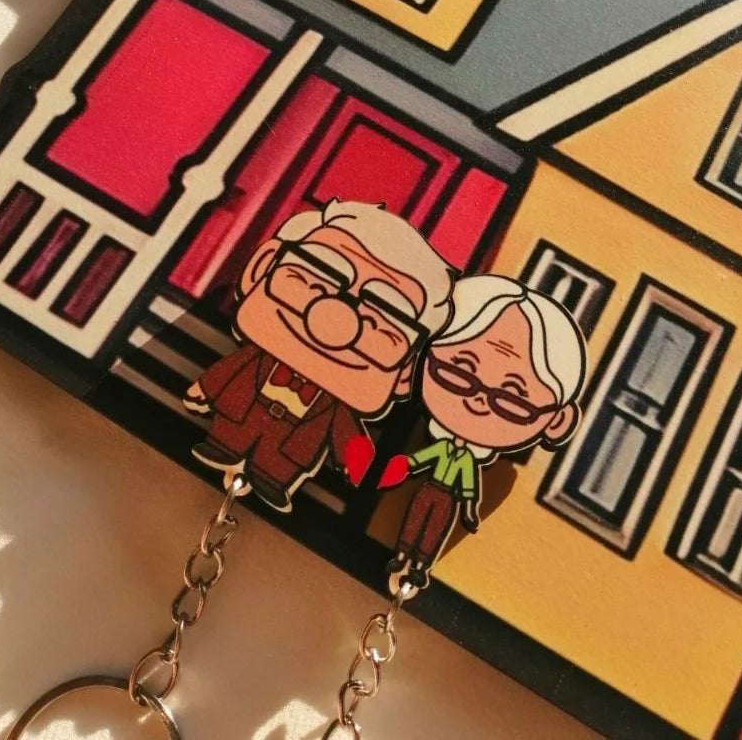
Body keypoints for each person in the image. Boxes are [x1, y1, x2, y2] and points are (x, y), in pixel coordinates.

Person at [184, 200, 454, 511]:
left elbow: (343, 430)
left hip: (291, 451)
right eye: (315, 282)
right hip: (238, 420)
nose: (334, 326)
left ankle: (271, 480)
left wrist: (355, 460)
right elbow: (233, 368)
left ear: (407, 369)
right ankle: (221, 447)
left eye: (377, 320)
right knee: (232, 435)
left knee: (278, 464)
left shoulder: (337, 402)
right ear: (261, 269)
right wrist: (204, 388)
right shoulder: (258, 358)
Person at [382, 274, 586, 587]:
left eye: (512, 396)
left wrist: (469, 512)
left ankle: (420, 564)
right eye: (460, 371)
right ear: (423, 358)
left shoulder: (469, 462)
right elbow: (416, 462)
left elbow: (469, 490)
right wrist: (400, 468)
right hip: (428, 489)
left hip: (446, 499)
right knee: (415, 519)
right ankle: (402, 555)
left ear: (557, 421)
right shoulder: (442, 447)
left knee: (435, 528)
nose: (478, 400)